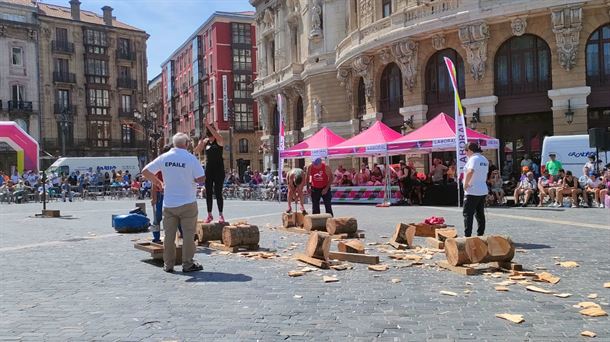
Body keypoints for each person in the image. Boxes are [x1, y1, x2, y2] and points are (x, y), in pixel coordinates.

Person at [142, 133, 205, 273]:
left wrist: (158, 182)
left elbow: (145, 171)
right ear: (187, 144)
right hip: (188, 201)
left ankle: (168, 265)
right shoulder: (190, 158)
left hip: (169, 203)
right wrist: (192, 180)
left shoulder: (164, 157)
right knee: (188, 235)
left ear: (173, 144)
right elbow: (201, 178)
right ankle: (187, 264)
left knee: (169, 236)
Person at [462, 142, 489, 237]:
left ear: (470, 150)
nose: (465, 153)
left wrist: (465, 184)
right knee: (480, 213)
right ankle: (480, 234)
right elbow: (485, 174)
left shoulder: (473, 159)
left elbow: (470, 171)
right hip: (482, 189)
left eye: (465, 151)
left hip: (472, 190)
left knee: (468, 214)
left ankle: (467, 235)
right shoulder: (484, 159)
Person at [203, 122, 225, 223]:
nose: (211, 138)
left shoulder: (219, 142)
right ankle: (209, 214)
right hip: (208, 170)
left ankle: (221, 214)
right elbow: (197, 150)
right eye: (209, 136)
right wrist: (201, 143)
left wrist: (208, 126)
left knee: (218, 192)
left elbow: (218, 136)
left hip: (219, 169)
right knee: (208, 193)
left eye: (211, 136)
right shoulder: (206, 143)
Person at [150, 145, 172, 244]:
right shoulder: (160, 165)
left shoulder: (172, 165)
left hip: (170, 194)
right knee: (157, 218)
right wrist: (154, 197)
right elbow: (154, 183)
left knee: (175, 216)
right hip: (161, 195)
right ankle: (156, 238)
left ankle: (182, 236)